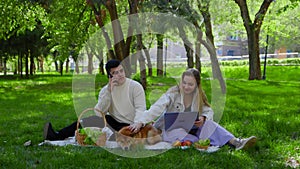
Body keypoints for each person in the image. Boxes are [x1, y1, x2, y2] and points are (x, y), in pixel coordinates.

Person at [136, 68, 256, 150]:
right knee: (182, 135)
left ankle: (235, 142)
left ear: (197, 85)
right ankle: (203, 141)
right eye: (184, 83)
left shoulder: (199, 95)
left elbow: (208, 110)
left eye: (190, 84)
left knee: (209, 124)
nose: (186, 87)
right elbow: (157, 107)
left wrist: (203, 118)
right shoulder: (173, 93)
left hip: (193, 128)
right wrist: (141, 121)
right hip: (173, 129)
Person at [44, 59, 147, 140]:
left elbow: (140, 108)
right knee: (88, 120)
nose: (120, 74)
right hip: (115, 122)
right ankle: (56, 135)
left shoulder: (135, 87)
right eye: (116, 73)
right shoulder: (105, 90)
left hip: (133, 124)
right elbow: (99, 113)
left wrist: (137, 124)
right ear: (109, 76)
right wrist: (109, 92)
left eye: (121, 71)